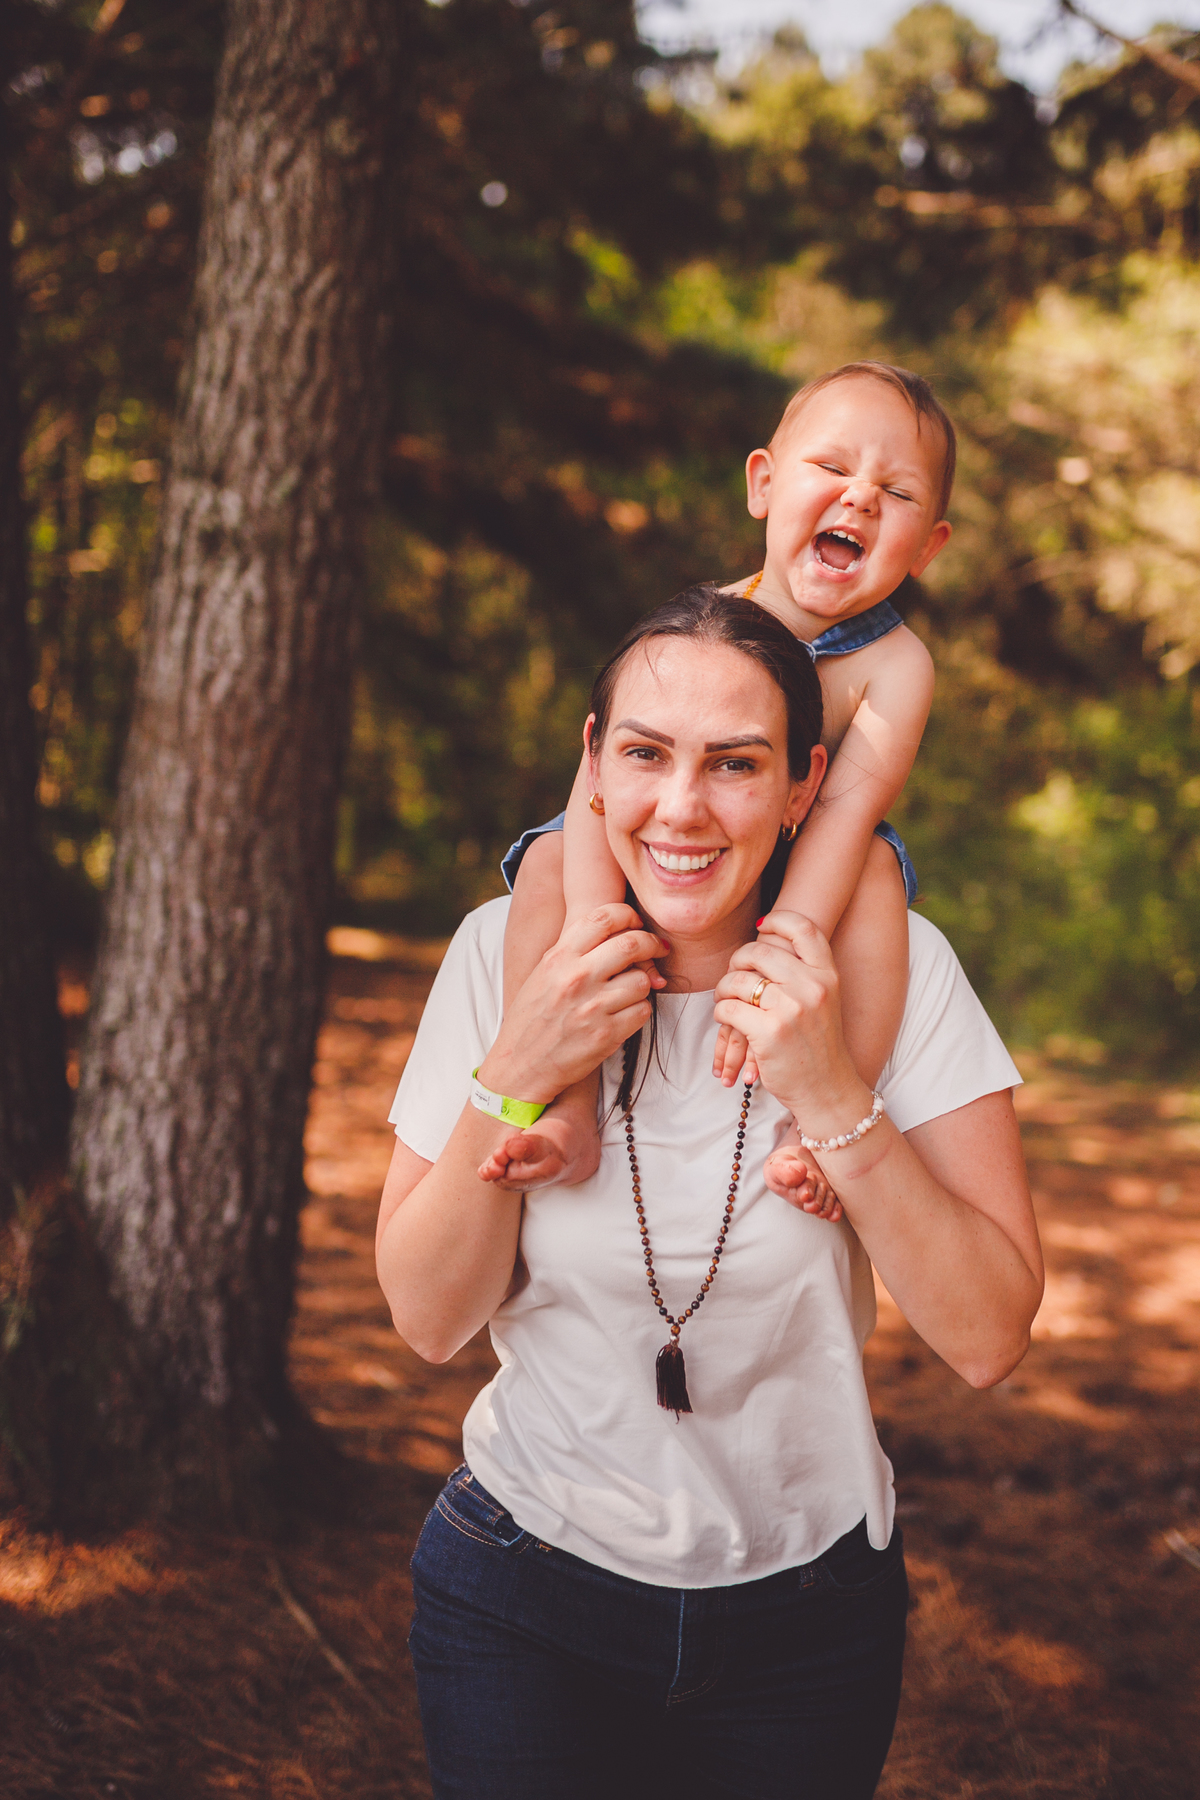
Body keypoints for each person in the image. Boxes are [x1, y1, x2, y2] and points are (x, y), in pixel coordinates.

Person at [376, 588, 1043, 1800]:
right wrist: (521, 1070)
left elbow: (990, 1335)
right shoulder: (500, 953)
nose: (681, 809)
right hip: (522, 1594)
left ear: (804, 787)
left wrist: (832, 1088)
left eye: (736, 765)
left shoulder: (898, 969)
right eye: (644, 754)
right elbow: (426, 1320)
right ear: (592, 764)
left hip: (808, 1623)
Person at [487, 362, 954, 1210]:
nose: (860, 497)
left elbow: (846, 819)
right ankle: (568, 1105)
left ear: (929, 547)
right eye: (832, 468)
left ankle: (826, 1124)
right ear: (764, 486)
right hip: (676, 845)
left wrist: (776, 961)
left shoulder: (897, 666)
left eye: (898, 490)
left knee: (881, 879)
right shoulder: (697, 616)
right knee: (551, 864)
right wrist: (598, 934)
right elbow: (593, 787)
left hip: (804, 860)